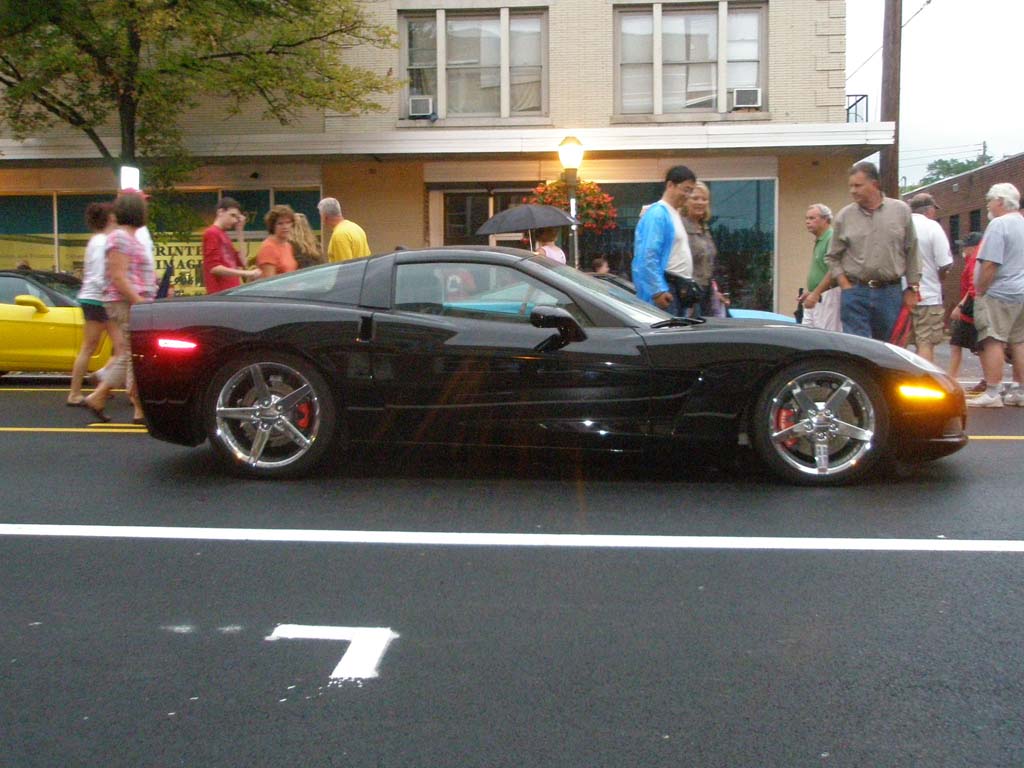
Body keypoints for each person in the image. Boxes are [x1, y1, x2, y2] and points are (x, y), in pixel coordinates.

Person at [825, 161, 921, 341]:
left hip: (889, 292)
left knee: (888, 349)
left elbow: (912, 250)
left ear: (874, 184)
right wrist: (845, 285)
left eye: (858, 185)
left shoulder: (900, 211)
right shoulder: (844, 216)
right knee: (856, 347)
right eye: (850, 186)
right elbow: (832, 256)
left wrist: (912, 288)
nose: (853, 190)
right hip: (856, 292)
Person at [83, 191, 155, 424]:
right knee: (129, 353)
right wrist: (139, 301)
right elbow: (118, 276)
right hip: (126, 303)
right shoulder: (121, 238)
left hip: (129, 301)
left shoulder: (127, 237)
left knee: (132, 354)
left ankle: (134, 405)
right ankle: (100, 394)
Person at [969, 183, 1024, 408]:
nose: (988, 205)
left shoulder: (999, 224)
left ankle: (992, 391)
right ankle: (1020, 390)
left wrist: (980, 290)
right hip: (1021, 291)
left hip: (999, 292)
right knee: (1019, 341)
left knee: (993, 339)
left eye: (990, 200)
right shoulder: (1022, 222)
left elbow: (991, 263)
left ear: (1000, 201)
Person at [67, 202, 122, 406]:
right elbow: (100, 275)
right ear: (109, 219)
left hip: (92, 298)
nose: (117, 220)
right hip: (100, 299)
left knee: (91, 347)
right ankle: (100, 382)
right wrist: (113, 293)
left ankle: (86, 389)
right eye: (115, 217)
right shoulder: (102, 243)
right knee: (121, 347)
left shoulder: (96, 241)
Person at [631, 164, 697, 313]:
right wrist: (658, 290)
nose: (688, 195)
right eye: (686, 189)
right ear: (670, 185)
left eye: (691, 191)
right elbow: (648, 254)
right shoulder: (658, 214)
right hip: (667, 288)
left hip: (678, 288)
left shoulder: (674, 214)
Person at [906, 193, 953, 362]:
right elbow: (945, 263)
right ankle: (922, 383)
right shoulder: (932, 226)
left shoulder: (901, 225)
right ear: (929, 210)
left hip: (901, 293)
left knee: (899, 343)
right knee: (925, 342)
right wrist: (939, 278)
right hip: (928, 295)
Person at [681, 181, 726, 317]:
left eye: (704, 199)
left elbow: (710, 263)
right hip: (688, 293)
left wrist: (717, 291)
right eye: (695, 198)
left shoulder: (704, 227)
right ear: (685, 201)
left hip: (707, 293)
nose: (700, 202)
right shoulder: (679, 226)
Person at [202, 197, 261, 293]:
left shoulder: (224, 236)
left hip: (230, 292)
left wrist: (240, 230)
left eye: (236, 217)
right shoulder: (211, 233)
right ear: (220, 212)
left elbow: (243, 261)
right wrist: (246, 273)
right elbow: (214, 267)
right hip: (220, 294)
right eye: (232, 215)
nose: (234, 221)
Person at [799, 204, 842, 331]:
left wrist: (816, 293)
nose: (807, 222)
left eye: (812, 218)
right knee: (806, 334)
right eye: (807, 218)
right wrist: (811, 292)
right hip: (816, 295)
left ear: (825, 220)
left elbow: (833, 270)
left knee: (825, 334)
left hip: (828, 295)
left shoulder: (831, 238)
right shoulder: (820, 240)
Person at [948, 232, 983, 385]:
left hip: (970, 307)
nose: (964, 250)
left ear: (973, 247)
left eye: (966, 247)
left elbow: (972, 286)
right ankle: (952, 377)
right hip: (969, 306)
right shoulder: (971, 259)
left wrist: (960, 306)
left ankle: (951, 378)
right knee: (960, 343)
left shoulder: (975, 259)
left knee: (978, 346)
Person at [256, 205, 299, 278]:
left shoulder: (288, 245)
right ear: (273, 226)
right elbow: (269, 281)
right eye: (280, 223)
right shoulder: (268, 247)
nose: (285, 227)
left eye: (288, 222)